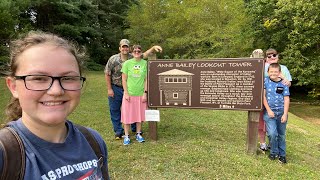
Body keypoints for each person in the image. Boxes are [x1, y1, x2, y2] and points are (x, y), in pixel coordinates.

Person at [0, 31, 109, 179]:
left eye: (68, 78)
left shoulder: (93, 141)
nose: (56, 90)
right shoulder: (4, 155)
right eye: (38, 78)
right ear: (13, 86)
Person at [104, 39, 162, 140]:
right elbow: (107, 73)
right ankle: (118, 131)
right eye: (123, 47)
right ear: (120, 48)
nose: (125, 48)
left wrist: (153, 48)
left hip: (134, 89)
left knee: (135, 108)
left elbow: (145, 53)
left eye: (126, 46)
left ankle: (136, 129)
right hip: (117, 87)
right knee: (115, 109)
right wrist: (109, 89)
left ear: (129, 48)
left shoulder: (134, 57)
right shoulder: (113, 59)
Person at [253, 48, 292, 152]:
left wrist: (283, 78)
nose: (272, 57)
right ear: (266, 58)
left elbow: (288, 84)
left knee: (274, 126)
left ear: (278, 56)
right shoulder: (262, 66)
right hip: (263, 100)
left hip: (278, 103)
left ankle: (272, 144)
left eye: (274, 55)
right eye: (269, 56)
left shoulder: (283, 68)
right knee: (261, 122)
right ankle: (262, 143)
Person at [263, 63, 290, 164]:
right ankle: (274, 151)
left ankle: (282, 155)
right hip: (269, 113)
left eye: (275, 72)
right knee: (272, 134)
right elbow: (263, 97)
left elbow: (286, 99)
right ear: (268, 72)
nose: (273, 73)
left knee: (281, 135)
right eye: (271, 72)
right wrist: (269, 110)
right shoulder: (265, 81)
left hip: (281, 113)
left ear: (279, 73)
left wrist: (285, 114)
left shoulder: (284, 84)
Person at [121, 45, 148, 145]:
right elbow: (124, 79)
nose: (137, 52)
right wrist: (126, 93)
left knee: (139, 115)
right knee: (127, 115)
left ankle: (138, 134)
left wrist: (145, 93)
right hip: (129, 94)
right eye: (135, 51)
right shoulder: (127, 63)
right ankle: (127, 136)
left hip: (140, 94)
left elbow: (146, 79)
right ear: (131, 53)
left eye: (139, 51)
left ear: (141, 52)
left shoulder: (145, 63)